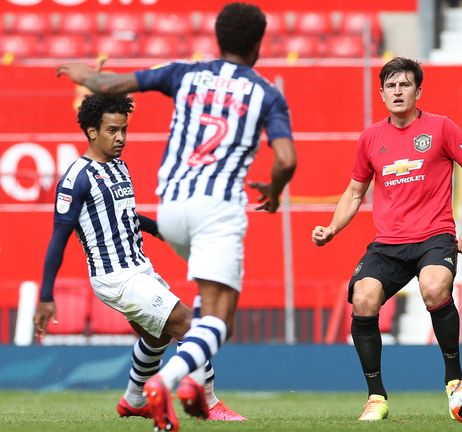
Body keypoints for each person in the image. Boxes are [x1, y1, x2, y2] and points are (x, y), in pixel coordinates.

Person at [55, 3, 297, 431]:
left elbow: (108, 82)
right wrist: (274, 192)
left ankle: (141, 396)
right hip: (215, 211)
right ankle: (181, 388)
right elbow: (286, 159)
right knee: (212, 320)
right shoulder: (266, 93)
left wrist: (82, 74)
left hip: (172, 210)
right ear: (258, 44)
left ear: (218, 40)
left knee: (179, 321)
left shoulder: (183, 72)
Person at [32, 94, 244, 423]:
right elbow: (58, 238)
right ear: (91, 132)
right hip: (115, 277)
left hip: (139, 267)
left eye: (124, 130)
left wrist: (165, 232)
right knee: (190, 325)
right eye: (112, 130)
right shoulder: (76, 179)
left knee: (156, 336)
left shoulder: (119, 166)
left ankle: (133, 400)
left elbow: (127, 217)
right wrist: (46, 295)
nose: (120, 138)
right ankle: (209, 402)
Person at [311, 57, 462, 421]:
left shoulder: (442, 128)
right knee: (363, 297)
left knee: (434, 287)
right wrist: (332, 227)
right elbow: (353, 192)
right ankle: (376, 396)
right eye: (391, 86)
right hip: (389, 242)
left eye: (405, 85)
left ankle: (454, 379)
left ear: (418, 90)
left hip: (434, 236)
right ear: (381, 94)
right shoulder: (370, 138)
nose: (397, 91)